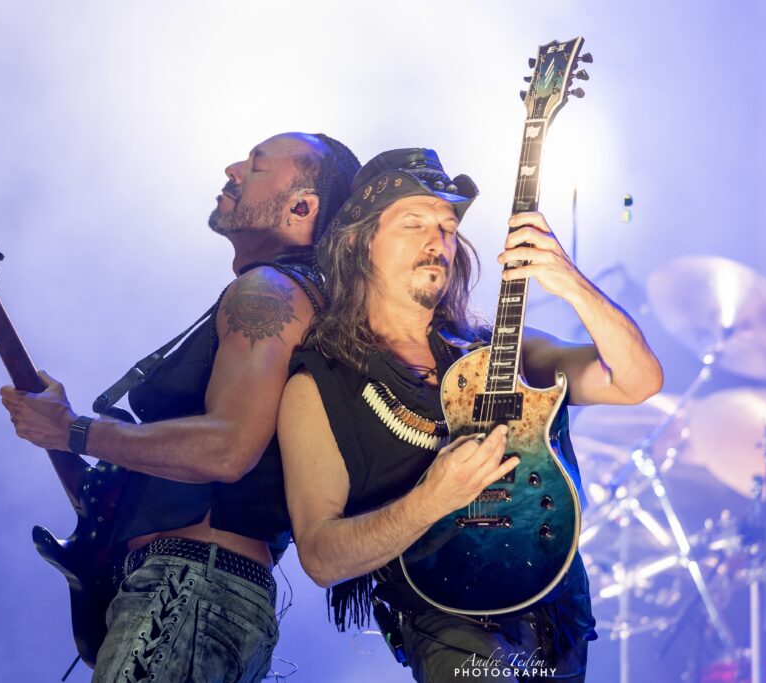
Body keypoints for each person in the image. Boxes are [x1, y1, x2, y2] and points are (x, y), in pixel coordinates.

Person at [278, 148, 663, 682]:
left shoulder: (499, 352)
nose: (437, 242)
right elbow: (320, 558)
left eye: (447, 227)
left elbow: (638, 381)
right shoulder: (322, 384)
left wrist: (570, 282)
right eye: (414, 223)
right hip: (448, 626)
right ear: (357, 241)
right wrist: (430, 501)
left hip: (559, 618)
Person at [0, 132, 360, 682]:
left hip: (189, 588)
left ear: (301, 208)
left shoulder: (270, 290)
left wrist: (73, 431)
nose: (233, 169)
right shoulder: (289, 294)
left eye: (257, 166)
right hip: (206, 595)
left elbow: (228, 448)